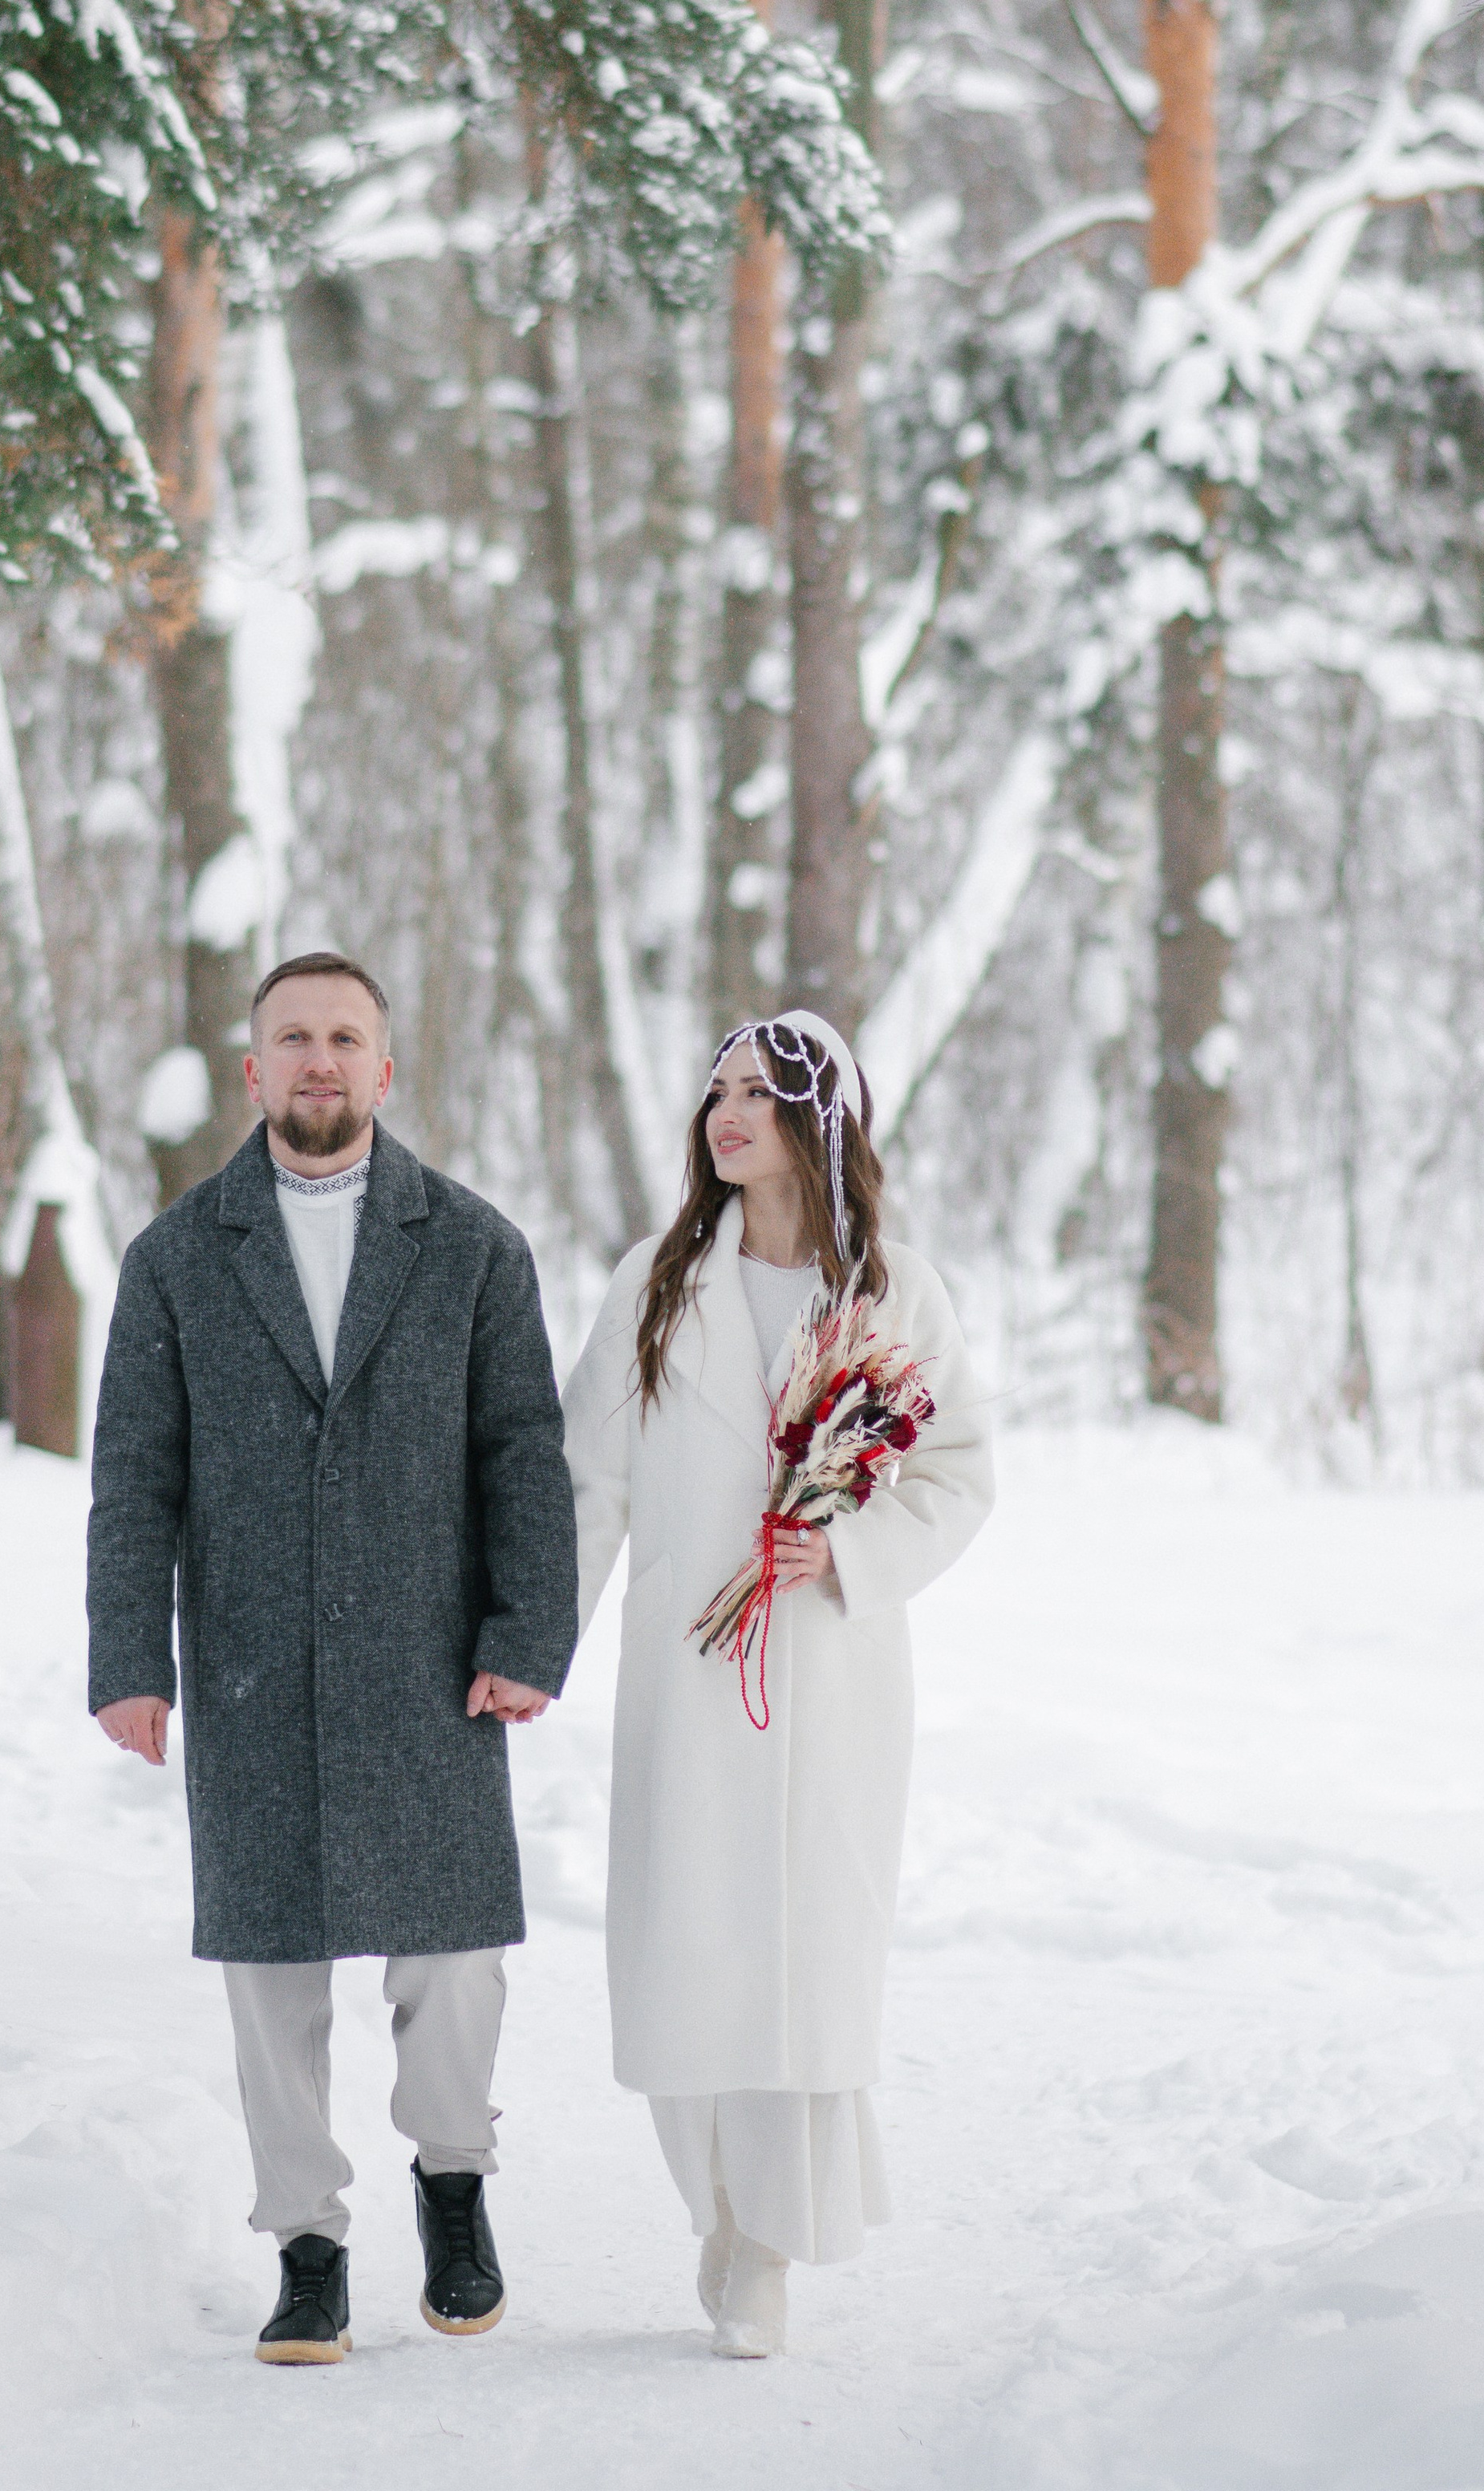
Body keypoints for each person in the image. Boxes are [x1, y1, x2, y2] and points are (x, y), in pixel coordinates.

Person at [87, 951, 578, 2367]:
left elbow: (522, 1459)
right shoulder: (176, 1258)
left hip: (431, 1663)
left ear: (383, 1064)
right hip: (250, 1664)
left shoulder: (475, 1247)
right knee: (270, 1974)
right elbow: (135, 1477)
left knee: (454, 1960)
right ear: (253, 1070)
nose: (318, 1059)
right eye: (292, 1037)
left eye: (343, 1036)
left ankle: (454, 2188)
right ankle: (306, 2243)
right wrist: (132, 1657)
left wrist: (525, 1633)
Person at [560, 1010, 992, 2359]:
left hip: (829, 1680)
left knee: (801, 1962)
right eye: (717, 1090)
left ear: (823, 1117)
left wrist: (845, 1548)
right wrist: (532, 1646)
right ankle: (716, 2202)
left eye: (758, 1091)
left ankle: (764, 2248)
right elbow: (588, 1479)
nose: (726, 1112)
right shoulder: (654, 1279)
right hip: (689, 1673)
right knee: (683, 1951)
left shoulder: (895, 1289)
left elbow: (957, 1473)